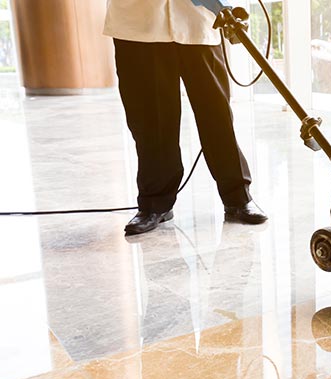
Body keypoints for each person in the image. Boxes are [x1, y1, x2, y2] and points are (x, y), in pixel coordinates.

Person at [103, 0, 267, 235]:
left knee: (217, 114)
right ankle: (155, 204)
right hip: (139, 23)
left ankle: (238, 197)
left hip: (197, 22)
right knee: (150, 119)